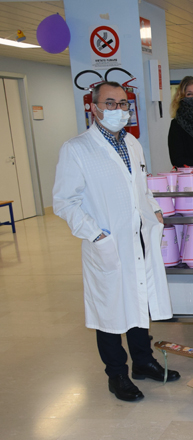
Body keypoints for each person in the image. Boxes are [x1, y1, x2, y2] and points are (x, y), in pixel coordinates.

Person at [53, 81, 178, 402]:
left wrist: (154, 210)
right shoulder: (77, 148)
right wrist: (95, 234)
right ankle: (117, 375)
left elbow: (142, 187)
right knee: (109, 311)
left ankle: (143, 362)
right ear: (93, 108)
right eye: (110, 103)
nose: (118, 110)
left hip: (138, 238)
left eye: (123, 104)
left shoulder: (133, 144)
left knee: (138, 302)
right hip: (106, 241)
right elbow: (64, 201)